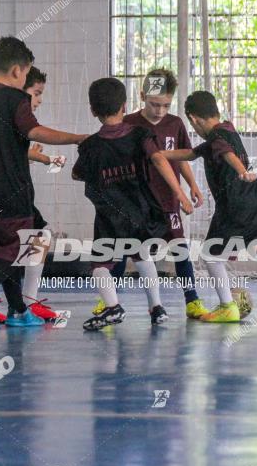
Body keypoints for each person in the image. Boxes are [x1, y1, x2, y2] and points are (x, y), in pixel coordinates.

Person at [0, 36, 86, 328]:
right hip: (12, 189)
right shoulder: (16, 99)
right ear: (17, 71)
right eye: (26, 73)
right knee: (15, 247)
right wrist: (75, 138)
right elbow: (35, 132)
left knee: (4, 252)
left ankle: (19, 310)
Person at [153, 91, 257, 322]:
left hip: (235, 205)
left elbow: (227, 154)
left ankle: (227, 306)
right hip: (255, 202)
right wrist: (157, 154)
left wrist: (241, 171)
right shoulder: (227, 129)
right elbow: (192, 153)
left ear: (194, 119)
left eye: (192, 124)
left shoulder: (216, 138)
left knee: (211, 255)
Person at [71, 78, 194, 331]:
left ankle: (112, 307)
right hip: (140, 210)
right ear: (125, 106)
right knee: (142, 255)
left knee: (100, 266)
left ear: (92, 110)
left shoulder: (91, 146)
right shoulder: (140, 134)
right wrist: (180, 192)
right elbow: (159, 160)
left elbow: (77, 174)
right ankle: (157, 308)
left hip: (110, 216)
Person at [92, 68, 209, 320]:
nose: (160, 111)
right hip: (137, 202)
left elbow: (182, 159)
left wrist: (192, 186)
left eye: (166, 105)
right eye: (155, 104)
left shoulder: (175, 124)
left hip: (168, 199)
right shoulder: (129, 123)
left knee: (179, 248)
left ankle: (192, 300)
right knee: (124, 249)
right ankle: (109, 302)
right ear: (143, 95)